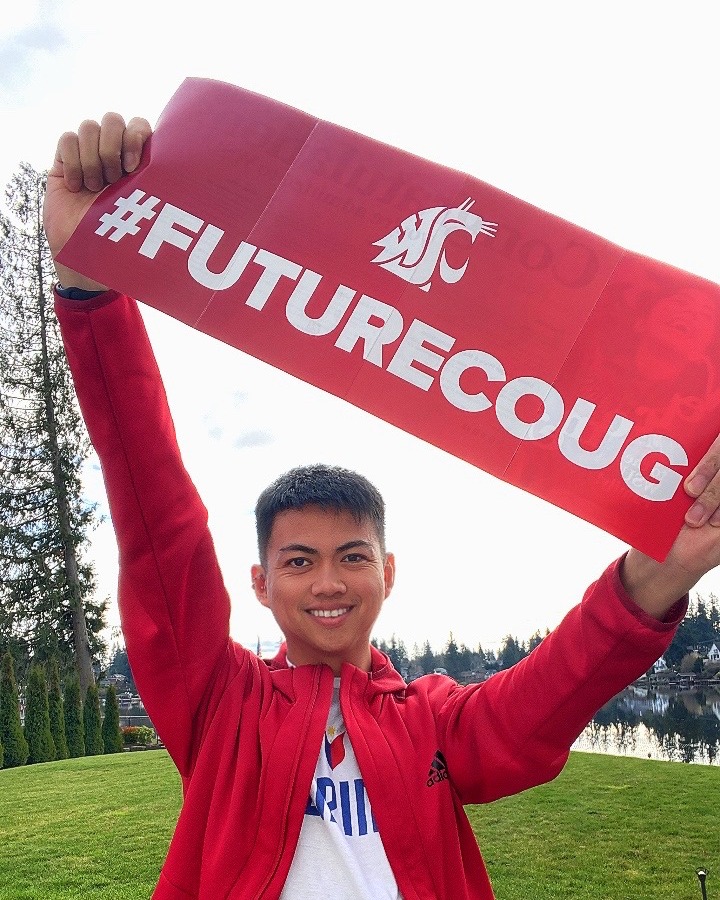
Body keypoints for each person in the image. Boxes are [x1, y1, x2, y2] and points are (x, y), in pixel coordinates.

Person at [45, 113, 720, 900]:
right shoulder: (219, 702)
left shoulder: (435, 723)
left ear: (388, 572)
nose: (328, 582)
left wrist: (666, 569)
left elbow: (553, 689)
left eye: (352, 557)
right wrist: (89, 289)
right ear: (260, 582)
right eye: (299, 561)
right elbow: (157, 519)